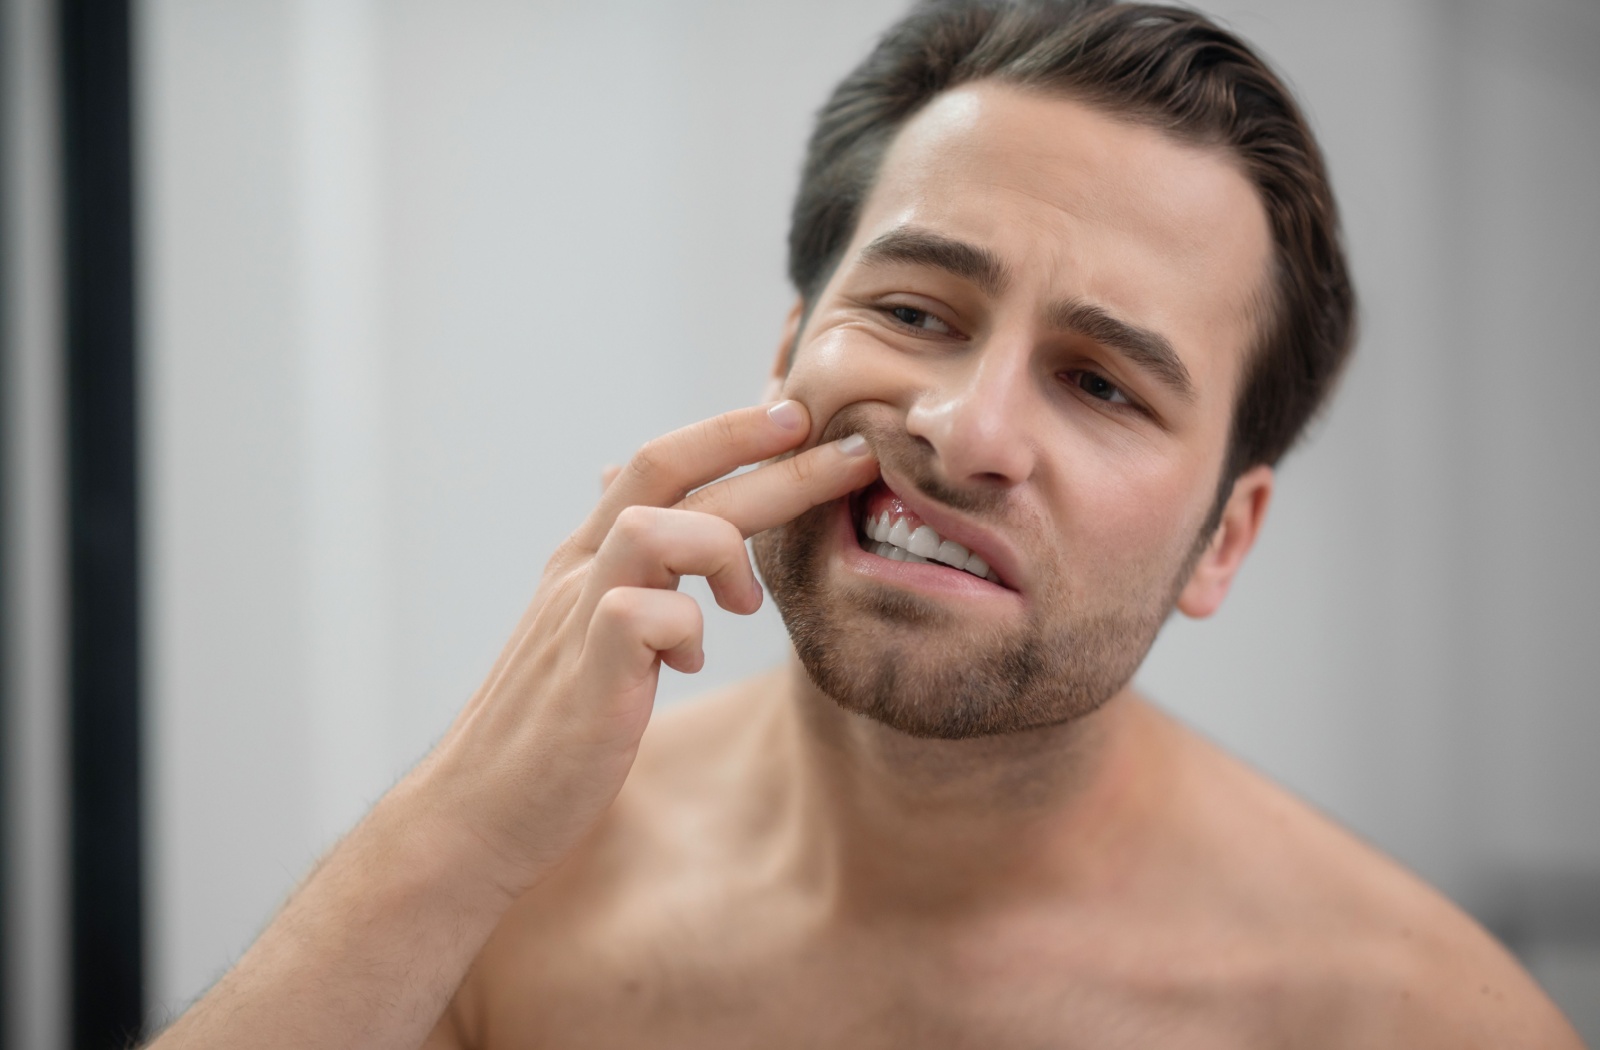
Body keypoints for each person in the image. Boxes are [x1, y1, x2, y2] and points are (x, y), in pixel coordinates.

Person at [147, 1, 1584, 1046]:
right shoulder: (506, 889)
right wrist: (450, 835)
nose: (965, 430)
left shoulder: (1411, 1016)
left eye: (1099, 381)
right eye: (912, 311)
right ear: (787, 358)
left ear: (1226, 536)